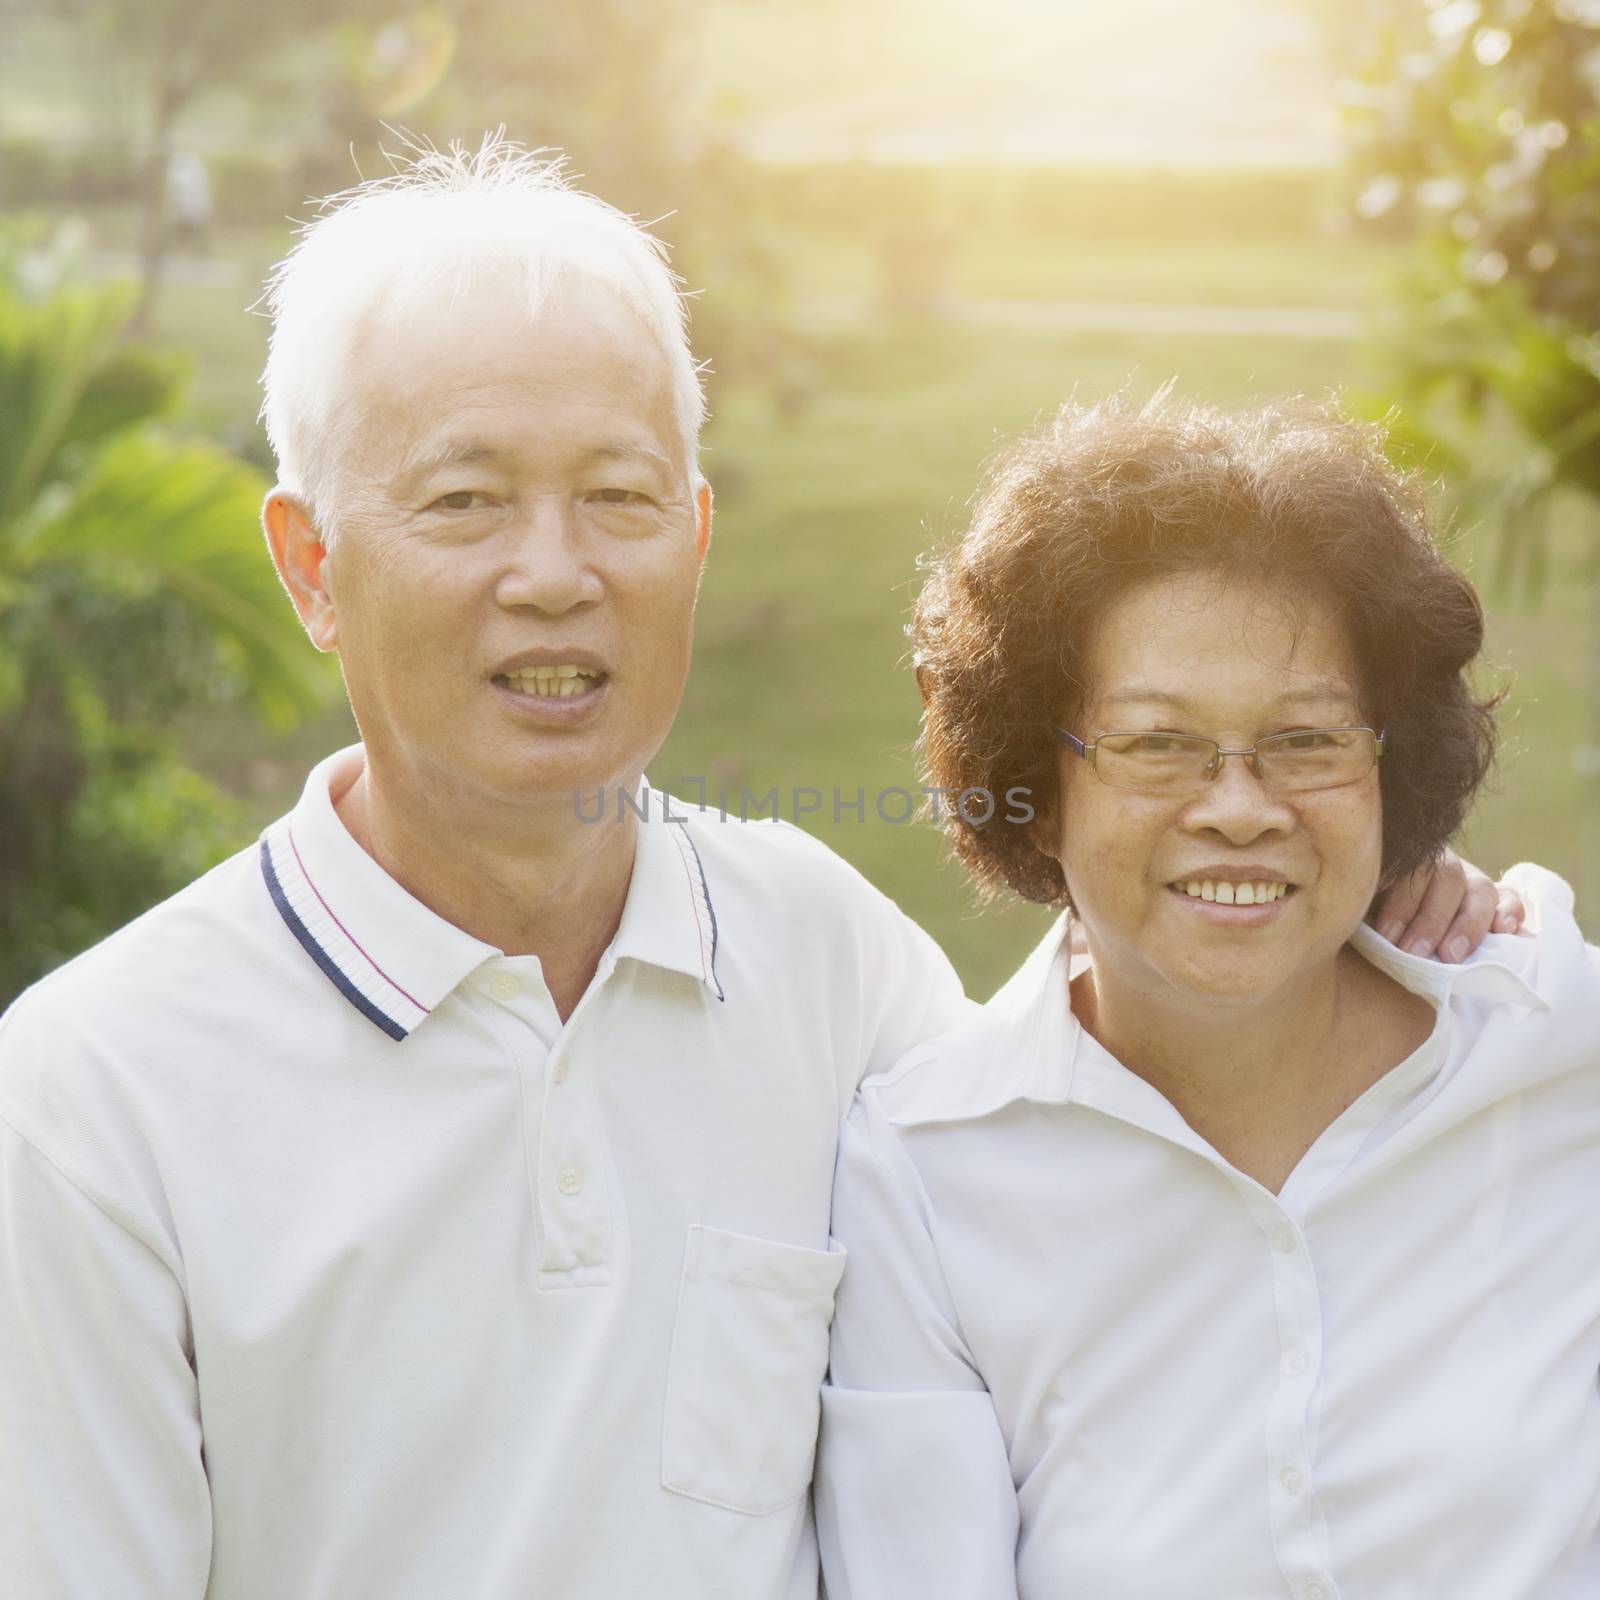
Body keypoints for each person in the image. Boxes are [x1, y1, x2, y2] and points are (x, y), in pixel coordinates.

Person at [0, 142, 1512, 1598]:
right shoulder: (95, 1095)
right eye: (464, 501)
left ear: (697, 539)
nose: (554, 571)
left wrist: (1373, 916)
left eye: (620, 496)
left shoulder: (827, 959)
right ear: (312, 566)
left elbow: (1096, 1136)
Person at [815, 394, 1600, 1599]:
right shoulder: (923, 1172)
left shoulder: (1555, 1052)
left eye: (1305, 740)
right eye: (1155, 743)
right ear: (1035, 778)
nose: (1238, 805)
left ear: (1390, 768)